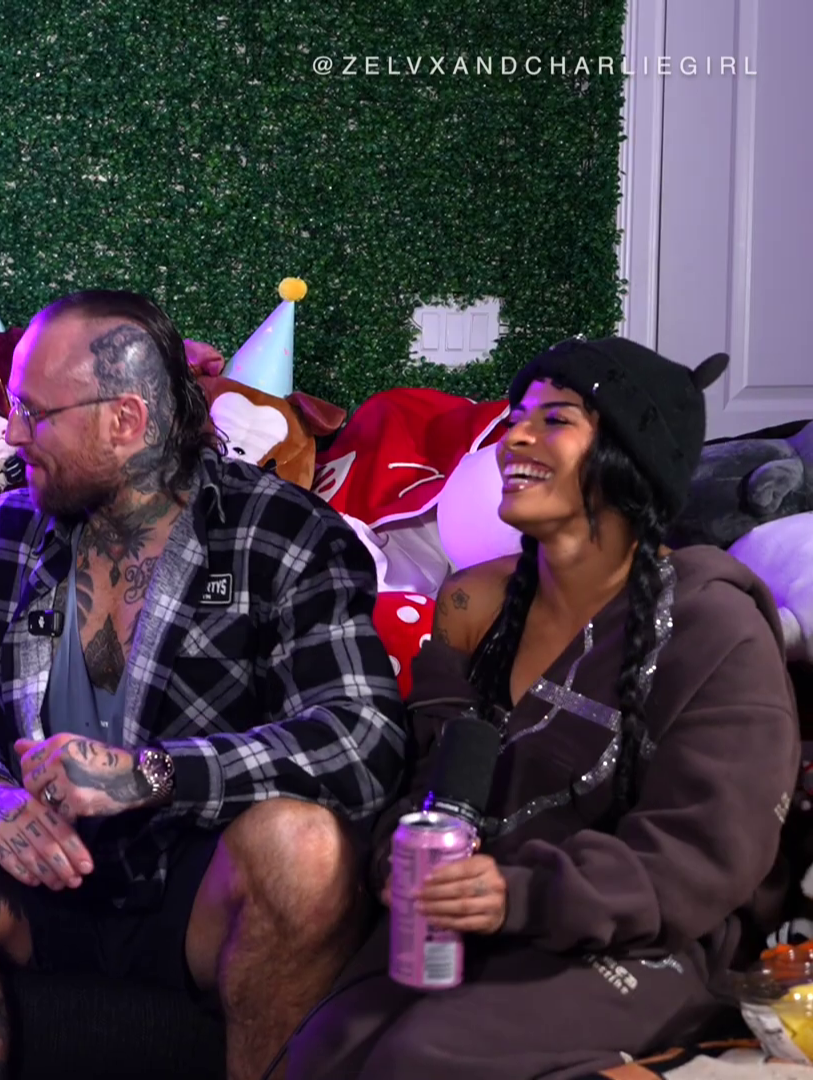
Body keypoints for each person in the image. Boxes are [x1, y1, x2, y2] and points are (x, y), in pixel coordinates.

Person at [0, 289, 407, 1080]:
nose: (11, 434)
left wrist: (151, 776)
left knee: (306, 847)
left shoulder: (280, 533)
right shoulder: (1, 533)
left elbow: (363, 737)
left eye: (34, 413)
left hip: (196, 889)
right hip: (39, 877)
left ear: (125, 420)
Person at [286, 338, 799, 1079]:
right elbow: (430, 785)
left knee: (425, 1058)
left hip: (646, 940)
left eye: (555, 419)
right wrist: (399, 858)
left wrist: (518, 894)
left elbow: (705, 853)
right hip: (479, 924)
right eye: (516, 417)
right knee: (324, 1047)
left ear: (631, 460)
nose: (513, 438)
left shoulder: (717, 630)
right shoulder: (477, 608)